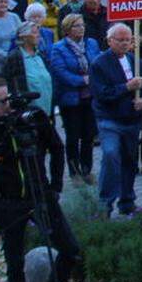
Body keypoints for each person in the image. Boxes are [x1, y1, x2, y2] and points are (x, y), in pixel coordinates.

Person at [0, 80, 84, 282]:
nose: (6, 107)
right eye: (0, 103)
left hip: (40, 193)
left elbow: (57, 148)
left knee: (70, 249)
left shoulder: (32, 118)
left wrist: (56, 185)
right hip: (9, 201)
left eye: (8, 100)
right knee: (14, 262)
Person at [89, 23, 142, 217]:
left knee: (130, 160)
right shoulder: (99, 64)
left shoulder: (135, 60)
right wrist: (126, 88)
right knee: (111, 155)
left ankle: (127, 200)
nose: (124, 43)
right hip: (109, 119)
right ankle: (104, 203)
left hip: (132, 119)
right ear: (109, 41)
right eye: (119, 40)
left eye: (127, 40)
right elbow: (102, 94)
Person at [49, 13, 99, 181]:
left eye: (82, 25)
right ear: (67, 30)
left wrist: (92, 79)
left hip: (90, 97)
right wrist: (84, 80)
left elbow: (97, 64)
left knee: (89, 135)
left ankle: (86, 169)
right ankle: (74, 170)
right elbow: (61, 72)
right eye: (77, 26)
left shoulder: (91, 44)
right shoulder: (58, 48)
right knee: (73, 136)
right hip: (70, 99)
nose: (81, 28)